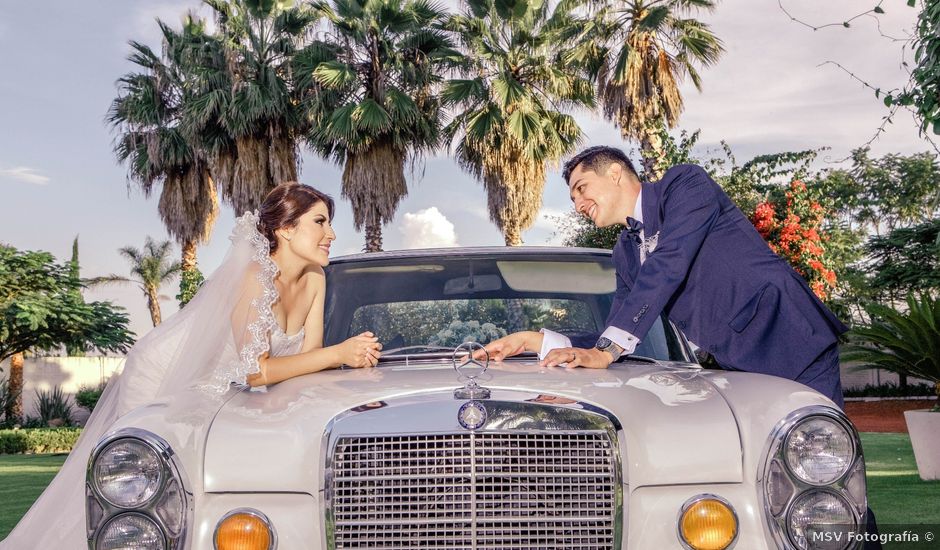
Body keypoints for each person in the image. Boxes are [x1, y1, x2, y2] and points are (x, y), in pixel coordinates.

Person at [1, 182, 382, 548]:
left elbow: (307, 359)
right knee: (143, 481)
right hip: (164, 372)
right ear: (285, 229)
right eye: (320, 222)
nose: (331, 233)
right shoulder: (255, 277)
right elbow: (256, 371)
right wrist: (339, 353)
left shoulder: (315, 277)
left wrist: (349, 358)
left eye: (328, 223)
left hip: (230, 383)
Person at [481, 145, 849, 407]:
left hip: (790, 341)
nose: (577, 205)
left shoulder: (685, 185)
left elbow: (669, 262)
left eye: (581, 189)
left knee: (825, 468)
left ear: (615, 173)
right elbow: (618, 330)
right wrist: (534, 340)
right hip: (740, 367)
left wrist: (606, 352)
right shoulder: (625, 252)